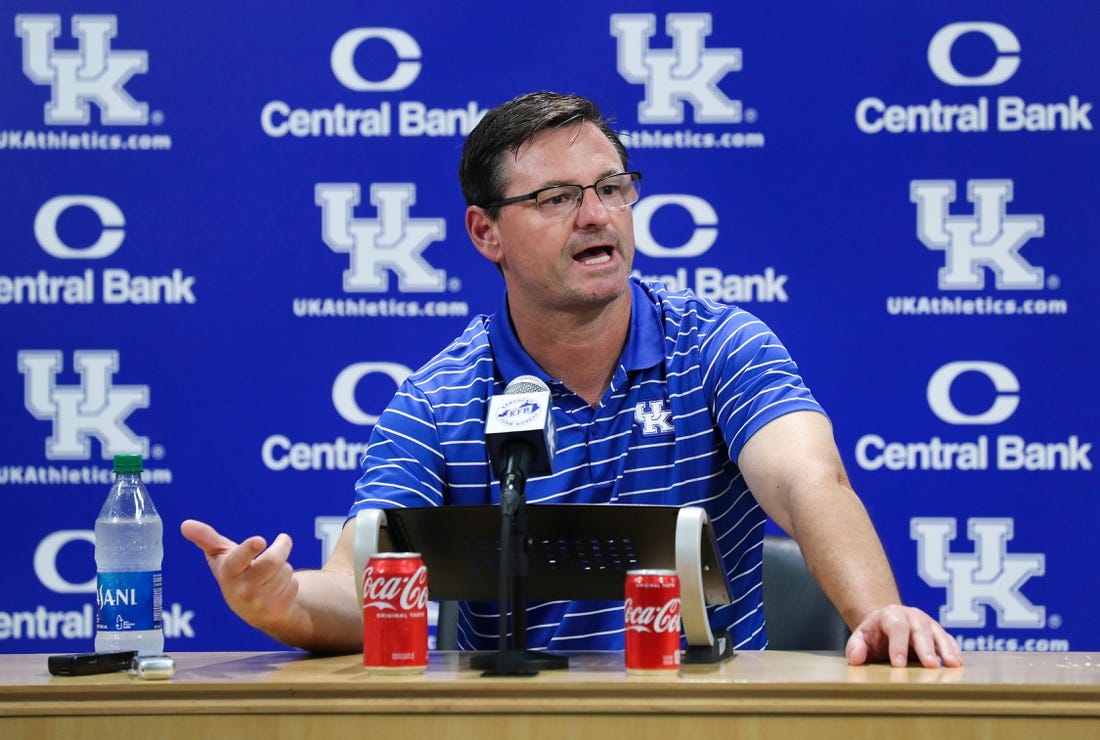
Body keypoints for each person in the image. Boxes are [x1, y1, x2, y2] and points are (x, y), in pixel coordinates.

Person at [182, 91, 962, 668]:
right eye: (557, 199)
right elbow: (362, 581)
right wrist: (283, 605)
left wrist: (879, 613)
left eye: (613, 188)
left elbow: (808, 481)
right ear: (485, 233)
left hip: (712, 716)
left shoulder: (718, 343)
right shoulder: (437, 398)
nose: (597, 217)